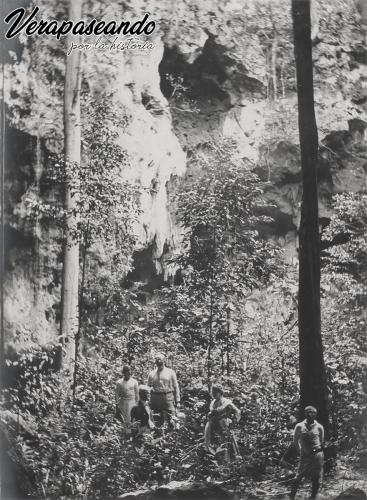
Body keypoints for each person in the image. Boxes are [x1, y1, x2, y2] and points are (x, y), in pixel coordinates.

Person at [289, 406, 325, 500]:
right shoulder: (299, 426)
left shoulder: (319, 427)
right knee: (298, 476)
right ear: (305, 414)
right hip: (304, 455)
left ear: (315, 414)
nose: (310, 414)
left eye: (312, 412)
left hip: (317, 455)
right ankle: (291, 496)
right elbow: (295, 440)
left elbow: (321, 442)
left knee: (316, 478)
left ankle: (313, 497)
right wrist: (300, 450)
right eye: (308, 412)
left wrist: (316, 452)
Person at [204, 384, 241, 460]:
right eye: (212, 392)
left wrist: (233, 421)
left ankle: (227, 460)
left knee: (226, 443)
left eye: (215, 392)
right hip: (213, 425)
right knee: (213, 443)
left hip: (223, 425)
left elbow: (237, 411)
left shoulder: (226, 401)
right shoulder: (213, 402)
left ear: (220, 392)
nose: (213, 394)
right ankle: (212, 457)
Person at [147, 352, 180, 425]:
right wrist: (147, 400)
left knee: (171, 417)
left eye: (160, 359)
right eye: (156, 359)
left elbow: (176, 386)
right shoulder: (151, 374)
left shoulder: (170, 372)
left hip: (167, 397)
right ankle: (158, 433)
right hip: (155, 398)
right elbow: (148, 388)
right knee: (156, 418)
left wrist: (177, 401)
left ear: (164, 360)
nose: (158, 361)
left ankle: (172, 433)